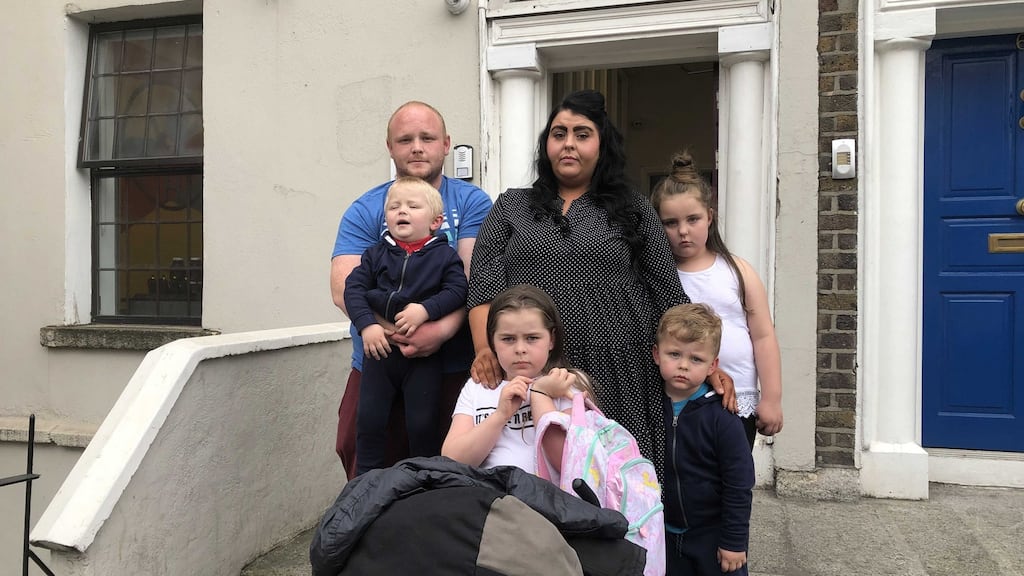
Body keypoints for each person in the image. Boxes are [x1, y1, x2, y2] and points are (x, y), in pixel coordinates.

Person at [466, 89, 731, 479]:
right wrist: (485, 349)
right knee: (539, 473)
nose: (568, 144)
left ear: (602, 144)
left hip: (619, 363)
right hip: (534, 364)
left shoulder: (633, 207)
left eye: (582, 133)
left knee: (614, 477)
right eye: (559, 134)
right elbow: (484, 282)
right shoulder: (512, 205)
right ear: (546, 145)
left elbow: (667, 292)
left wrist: (707, 362)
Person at [330, 101, 493, 479]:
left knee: (446, 467)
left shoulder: (472, 203)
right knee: (361, 453)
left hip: (451, 364)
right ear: (390, 147)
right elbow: (344, 287)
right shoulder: (368, 208)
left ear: (446, 144)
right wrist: (393, 331)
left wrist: (437, 331)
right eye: (405, 139)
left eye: (427, 138)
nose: (417, 147)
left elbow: (472, 279)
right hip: (377, 361)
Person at [650, 152, 783, 448]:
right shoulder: (657, 277)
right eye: (670, 222)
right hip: (679, 398)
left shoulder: (737, 271)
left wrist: (772, 398)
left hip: (736, 402)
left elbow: (763, 336)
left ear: (709, 217)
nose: (683, 231)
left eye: (693, 219)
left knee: (732, 477)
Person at [344, 176, 469, 475]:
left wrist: (425, 310)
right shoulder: (375, 254)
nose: (402, 211)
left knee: (422, 423)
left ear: (436, 221)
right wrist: (367, 326)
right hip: (380, 355)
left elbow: (458, 291)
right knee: (370, 421)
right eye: (394, 206)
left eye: (413, 206)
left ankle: (422, 482)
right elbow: (353, 289)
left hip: (424, 359)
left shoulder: (444, 256)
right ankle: (365, 485)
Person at [441, 284, 596, 474]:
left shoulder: (564, 384)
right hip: (488, 497)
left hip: (547, 500)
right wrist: (500, 416)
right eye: (508, 339)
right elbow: (452, 461)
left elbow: (573, 464)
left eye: (532, 338)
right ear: (492, 342)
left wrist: (541, 394)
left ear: (551, 340)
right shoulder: (478, 387)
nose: (520, 349)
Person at [654, 303, 753, 576]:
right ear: (656, 354)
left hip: (713, 536)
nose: (683, 365)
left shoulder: (723, 418)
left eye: (696, 359)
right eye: (674, 354)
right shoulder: (648, 408)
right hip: (661, 533)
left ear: (713, 365)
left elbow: (739, 483)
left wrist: (734, 541)